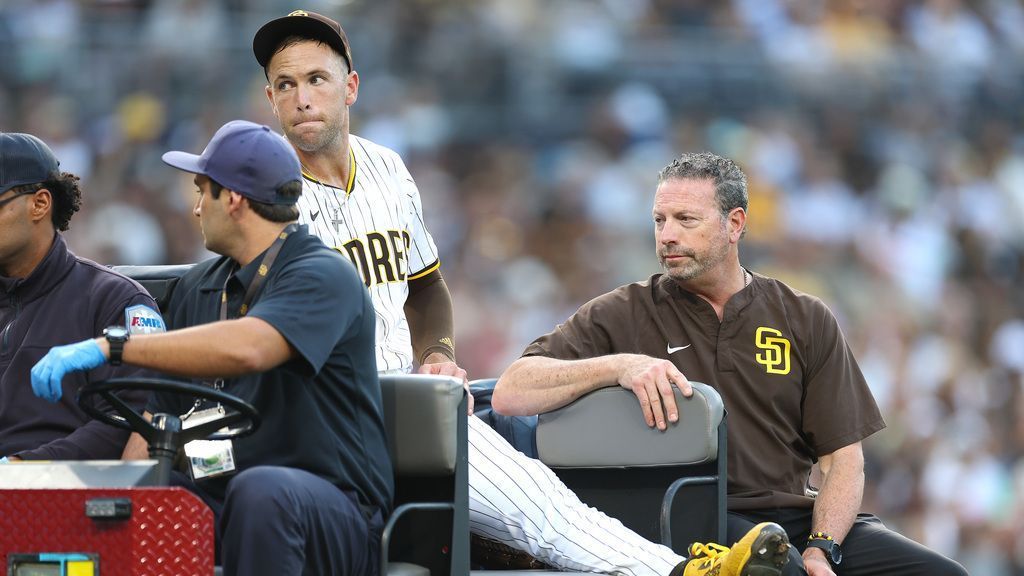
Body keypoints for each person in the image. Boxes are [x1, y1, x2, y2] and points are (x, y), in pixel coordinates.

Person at [250, 11, 791, 576]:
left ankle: (684, 570)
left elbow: (426, 286)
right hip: (328, 408)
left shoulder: (386, 168)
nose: (302, 98)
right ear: (270, 98)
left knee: (540, 508)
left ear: (350, 87)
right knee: (536, 513)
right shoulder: (266, 191)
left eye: (317, 79)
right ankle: (685, 571)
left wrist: (437, 353)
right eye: (285, 85)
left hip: (404, 401)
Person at [493, 151, 969, 576]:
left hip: (798, 518)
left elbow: (843, 461)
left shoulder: (804, 316)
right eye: (659, 220)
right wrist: (618, 365)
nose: (668, 236)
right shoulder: (623, 311)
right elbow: (511, 391)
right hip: (690, 516)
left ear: (735, 224)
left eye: (685, 219)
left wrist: (823, 549)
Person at [30, 120, 393, 576]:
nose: (197, 208)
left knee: (262, 494)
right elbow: (155, 417)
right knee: (132, 509)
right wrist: (128, 498)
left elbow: (251, 348)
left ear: (235, 198)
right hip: (226, 493)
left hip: (333, 510)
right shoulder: (198, 287)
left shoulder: (322, 274)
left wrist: (114, 346)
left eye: (203, 190)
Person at [0, 131, 164, 462]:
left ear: (40, 204)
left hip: (62, 498)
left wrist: (24, 467)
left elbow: (128, 420)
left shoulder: (115, 299)